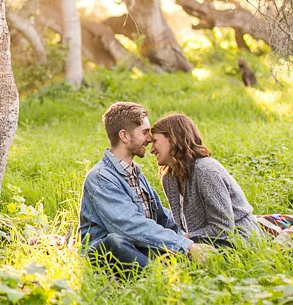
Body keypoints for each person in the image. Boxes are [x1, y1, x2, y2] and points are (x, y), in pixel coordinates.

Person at [79, 102, 212, 275]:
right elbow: (129, 226)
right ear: (124, 136)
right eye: (144, 132)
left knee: (170, 243)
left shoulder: (134, 173)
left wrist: (190, 237)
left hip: (139, 246)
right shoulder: (100, 177)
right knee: (115, 242)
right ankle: (160, 277)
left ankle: (173, 269)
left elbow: (160, 217)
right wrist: (185, 246)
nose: (149, 139)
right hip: (109, 253)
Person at [149, 113, 259, 246]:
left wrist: (184, 239)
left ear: (173, 139)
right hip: (202, 241)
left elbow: (223, 228)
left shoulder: (205, 171)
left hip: (238, 237)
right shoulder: (169, 178)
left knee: (172, 250)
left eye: (155, 141)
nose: (152, 150)